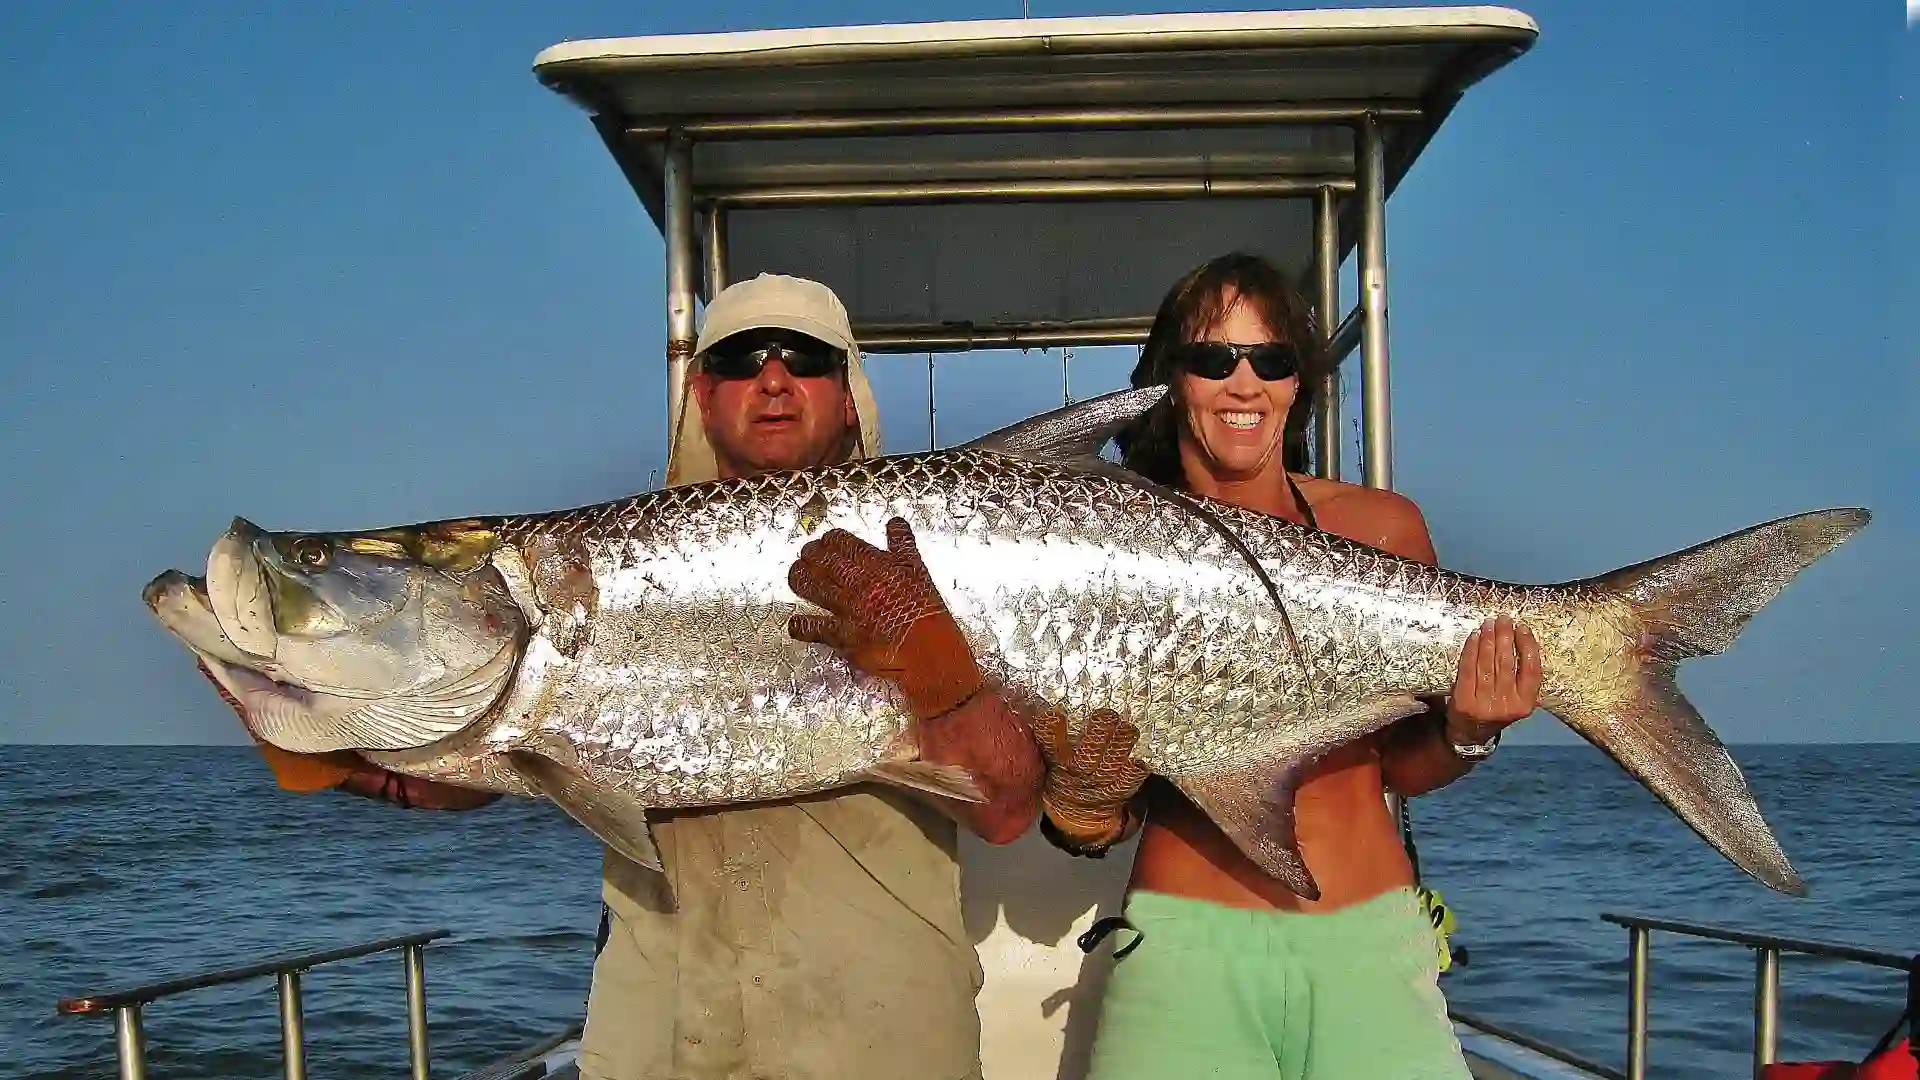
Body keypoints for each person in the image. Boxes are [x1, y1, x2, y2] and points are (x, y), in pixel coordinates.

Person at [1050, 252, 1545, 1080]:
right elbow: (1109, 805)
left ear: (1296, 385)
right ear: (1172, 379)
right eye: (1214, 359)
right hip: (1184, 947)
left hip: (1368, 944)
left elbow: (1398, 763)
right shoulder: (1106, 549)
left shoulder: (1381, 528)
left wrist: (1469, 733)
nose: (1243, 383)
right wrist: (1083, 809)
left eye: (1270, 359)